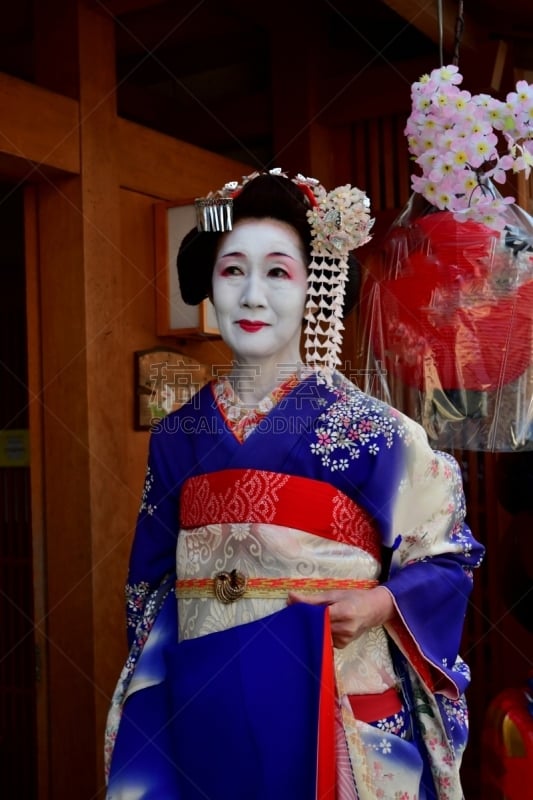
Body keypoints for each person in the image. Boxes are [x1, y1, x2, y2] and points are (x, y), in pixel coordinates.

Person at [105, 169, 484, 800]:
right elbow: (148, 589)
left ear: (315, 288)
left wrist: (379, 604)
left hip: (336, 695)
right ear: (211, 288)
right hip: (208, 702)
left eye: (278, 272)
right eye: (232, 272)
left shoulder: (375, 431)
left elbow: (447, 557)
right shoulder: (177, 436)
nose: (253, 296)